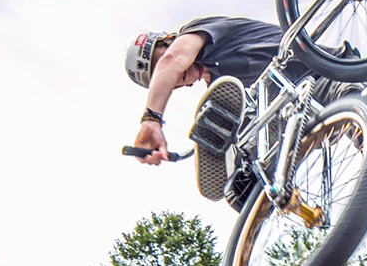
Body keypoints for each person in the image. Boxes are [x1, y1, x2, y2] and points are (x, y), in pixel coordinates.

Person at [125, 16, 299, 165]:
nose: (175, 76)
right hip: (301, 110)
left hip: (306, 59)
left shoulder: (198, 32)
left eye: (162, 65)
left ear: (169, 40)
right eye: (167, 78)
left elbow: (174, 58)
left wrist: (151, 120)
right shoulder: (224, 95)